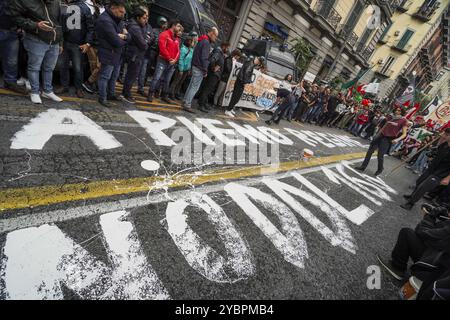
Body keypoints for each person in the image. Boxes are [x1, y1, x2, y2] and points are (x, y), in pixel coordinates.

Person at [376, 204, 450, 282]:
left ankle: (397, 268)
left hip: (432, 265)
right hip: (440, 265)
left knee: (406, 233)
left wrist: (429, 216)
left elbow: (422, 232)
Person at [9, 0, 64, 104]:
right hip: (36, 39)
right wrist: (35, 25)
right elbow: (15, 17)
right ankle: (34, 92)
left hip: (54, 41)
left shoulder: (56, 1)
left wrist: (61, 41)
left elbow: (59, 22)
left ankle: (47, 91)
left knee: (49, 68)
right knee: (34, 68)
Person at [401, 128, 450, 210]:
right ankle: (412, 196)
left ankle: (411, 204)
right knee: (419, 182)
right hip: (432, 168)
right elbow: (437, 152)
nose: (444, 136)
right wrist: (431, 155)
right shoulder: (444, 144)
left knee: (423, 187)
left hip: (440, 173)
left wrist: (448, 178)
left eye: (447, 135)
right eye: (444, 134)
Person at [56, 0, 95, 98]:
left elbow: (91, 28)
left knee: (77, 68)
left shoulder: (84, 8)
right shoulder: (69, 7)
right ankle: (66, 86)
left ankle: (78, 88)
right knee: (64, 66)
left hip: (77, 44)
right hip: (67, 42)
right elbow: (62, 25)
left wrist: (87, 43)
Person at [96, 0, 130, 107]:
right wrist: (124, 37)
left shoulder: (116, 19)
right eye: (121, 12)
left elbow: (128, 36)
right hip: (109, 52)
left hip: (115, 53)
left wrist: (124, 36)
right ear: (113, 8)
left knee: (113, 76)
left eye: (124, 13)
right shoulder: (105, 20)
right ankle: (102, 98)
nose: (123, 15)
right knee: (105, 76)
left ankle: (111, 94)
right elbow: (117, 41)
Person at [356, 107, 408, 176]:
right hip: (381, 135)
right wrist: (377, 134)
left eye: (399, 110)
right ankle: (363, 166)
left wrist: (397, 139)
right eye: (396, 110)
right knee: (370, 151)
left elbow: (404, 134)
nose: (396, 111)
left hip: (388, 139)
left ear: (402, 112)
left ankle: (380, 169)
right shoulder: (390, 117)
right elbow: (383, 126)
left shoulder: (403, 121)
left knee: (380, 155)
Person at [181, 26, 219, 114]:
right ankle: (187, 104)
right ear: (212, 33)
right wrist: (205, 70)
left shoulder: (202, 40)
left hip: (195, 66)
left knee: (191, 85)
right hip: (199, 68)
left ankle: (185, 101)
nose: (215, 38)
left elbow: (196, 54)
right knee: (194, 87)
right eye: (215, 36)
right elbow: (204, 58)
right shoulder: (206, 43)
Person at [147, 18, 181, 104]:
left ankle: (164, 95)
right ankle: (151, 93)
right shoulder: (164, 34)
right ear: (173, 26)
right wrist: (170, 58)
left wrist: (174, 60)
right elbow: (162, 48)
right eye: (178, 26)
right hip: (163, 60)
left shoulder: (177, 38)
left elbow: (178, 50)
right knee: (157, 77)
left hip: (172, 62)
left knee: (167, 79)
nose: (179, 28)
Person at [120, 6, 149, 104]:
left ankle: (126, 92)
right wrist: (146, 40)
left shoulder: (139, 26)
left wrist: (146, 39)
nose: (146, 20)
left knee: (131, 74)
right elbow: (143, 44)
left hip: (135, 54)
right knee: (131, 75)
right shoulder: (135, 27)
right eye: (144, 18)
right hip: (134, 55)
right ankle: (126, 94)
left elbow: (149, 36)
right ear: (138, 18)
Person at [0, 0, 26, 93]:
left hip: (12, 32)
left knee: (12, 61)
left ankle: (10, 83)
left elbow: (23, 11)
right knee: (11, 60)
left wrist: (20, 26)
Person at [196, 41, 229, 113]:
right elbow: (212, 60)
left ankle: (204, 103)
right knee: (207, 89)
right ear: (224, 46)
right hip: (213, 75)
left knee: (208, 90)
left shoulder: (220, 53)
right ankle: (201, 104)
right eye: (227, 48)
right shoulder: (218, 52)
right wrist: (213, 68)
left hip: (215, 75)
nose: (227, 49)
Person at [137, 15, 166, 96]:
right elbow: (152, 40)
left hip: (158, 54)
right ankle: (141, 86)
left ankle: (145, 86)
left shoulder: (164, 33)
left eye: (165, 23)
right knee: (145, 70)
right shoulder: (154, 30)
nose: (164, 25)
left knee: (152, 71)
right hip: (151, 52)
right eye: (163, 23)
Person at [82, 0, 105, 94]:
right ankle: (93, 85)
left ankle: (89, 83)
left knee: (99, 66)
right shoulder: (87, 6)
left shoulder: (103, 8)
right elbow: (90, 28)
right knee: (94, 65)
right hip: (91, 42)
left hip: (100, 42)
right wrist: (88, 42)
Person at [169, 35, 194, 101]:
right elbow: (181, 59)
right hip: (181, 68)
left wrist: (189, 69)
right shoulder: (183, 49)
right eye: (192, 42)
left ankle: (176, 93)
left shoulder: (191, 50)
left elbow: (190, 60)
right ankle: (171, 93)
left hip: (186, 69)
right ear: (188, 42)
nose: (193, 43)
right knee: (176, 81)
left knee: (180, 82)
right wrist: (181, 69)